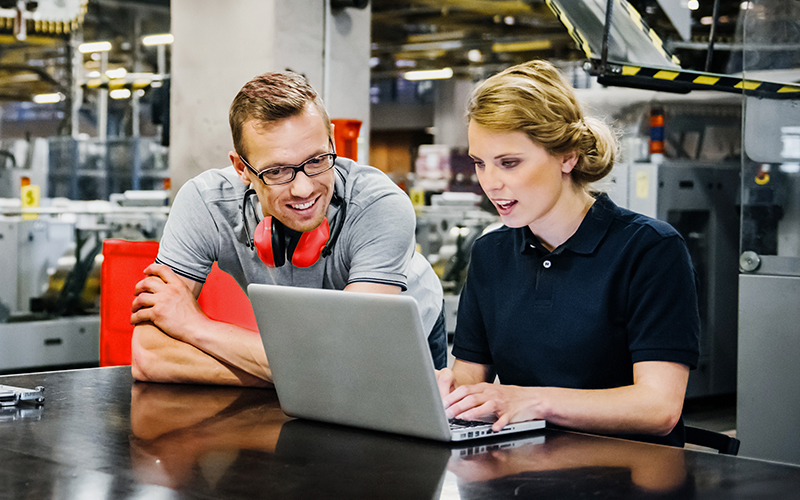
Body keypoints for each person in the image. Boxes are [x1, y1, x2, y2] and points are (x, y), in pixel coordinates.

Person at [437, 60, 700, 447]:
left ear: (568, 157)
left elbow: (658, 407)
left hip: (623, 478)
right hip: (521, 470)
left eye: (509, 163)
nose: (490, 183)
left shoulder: (650, 249)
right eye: (480, 163)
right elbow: (470, 380)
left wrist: (533, 400)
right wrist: (447, 392)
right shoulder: (491, 253)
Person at [130, 71, 446, 386]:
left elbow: (350, 361)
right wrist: (300, 374)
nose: (304, 188)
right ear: (242, 168)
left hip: (402, 341)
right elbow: (150, 355)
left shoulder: (379, 205)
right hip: (298, 350)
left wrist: (195, 327)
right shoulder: (206, 203)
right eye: (278, 171)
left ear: (332, 141)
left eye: (317, 160)